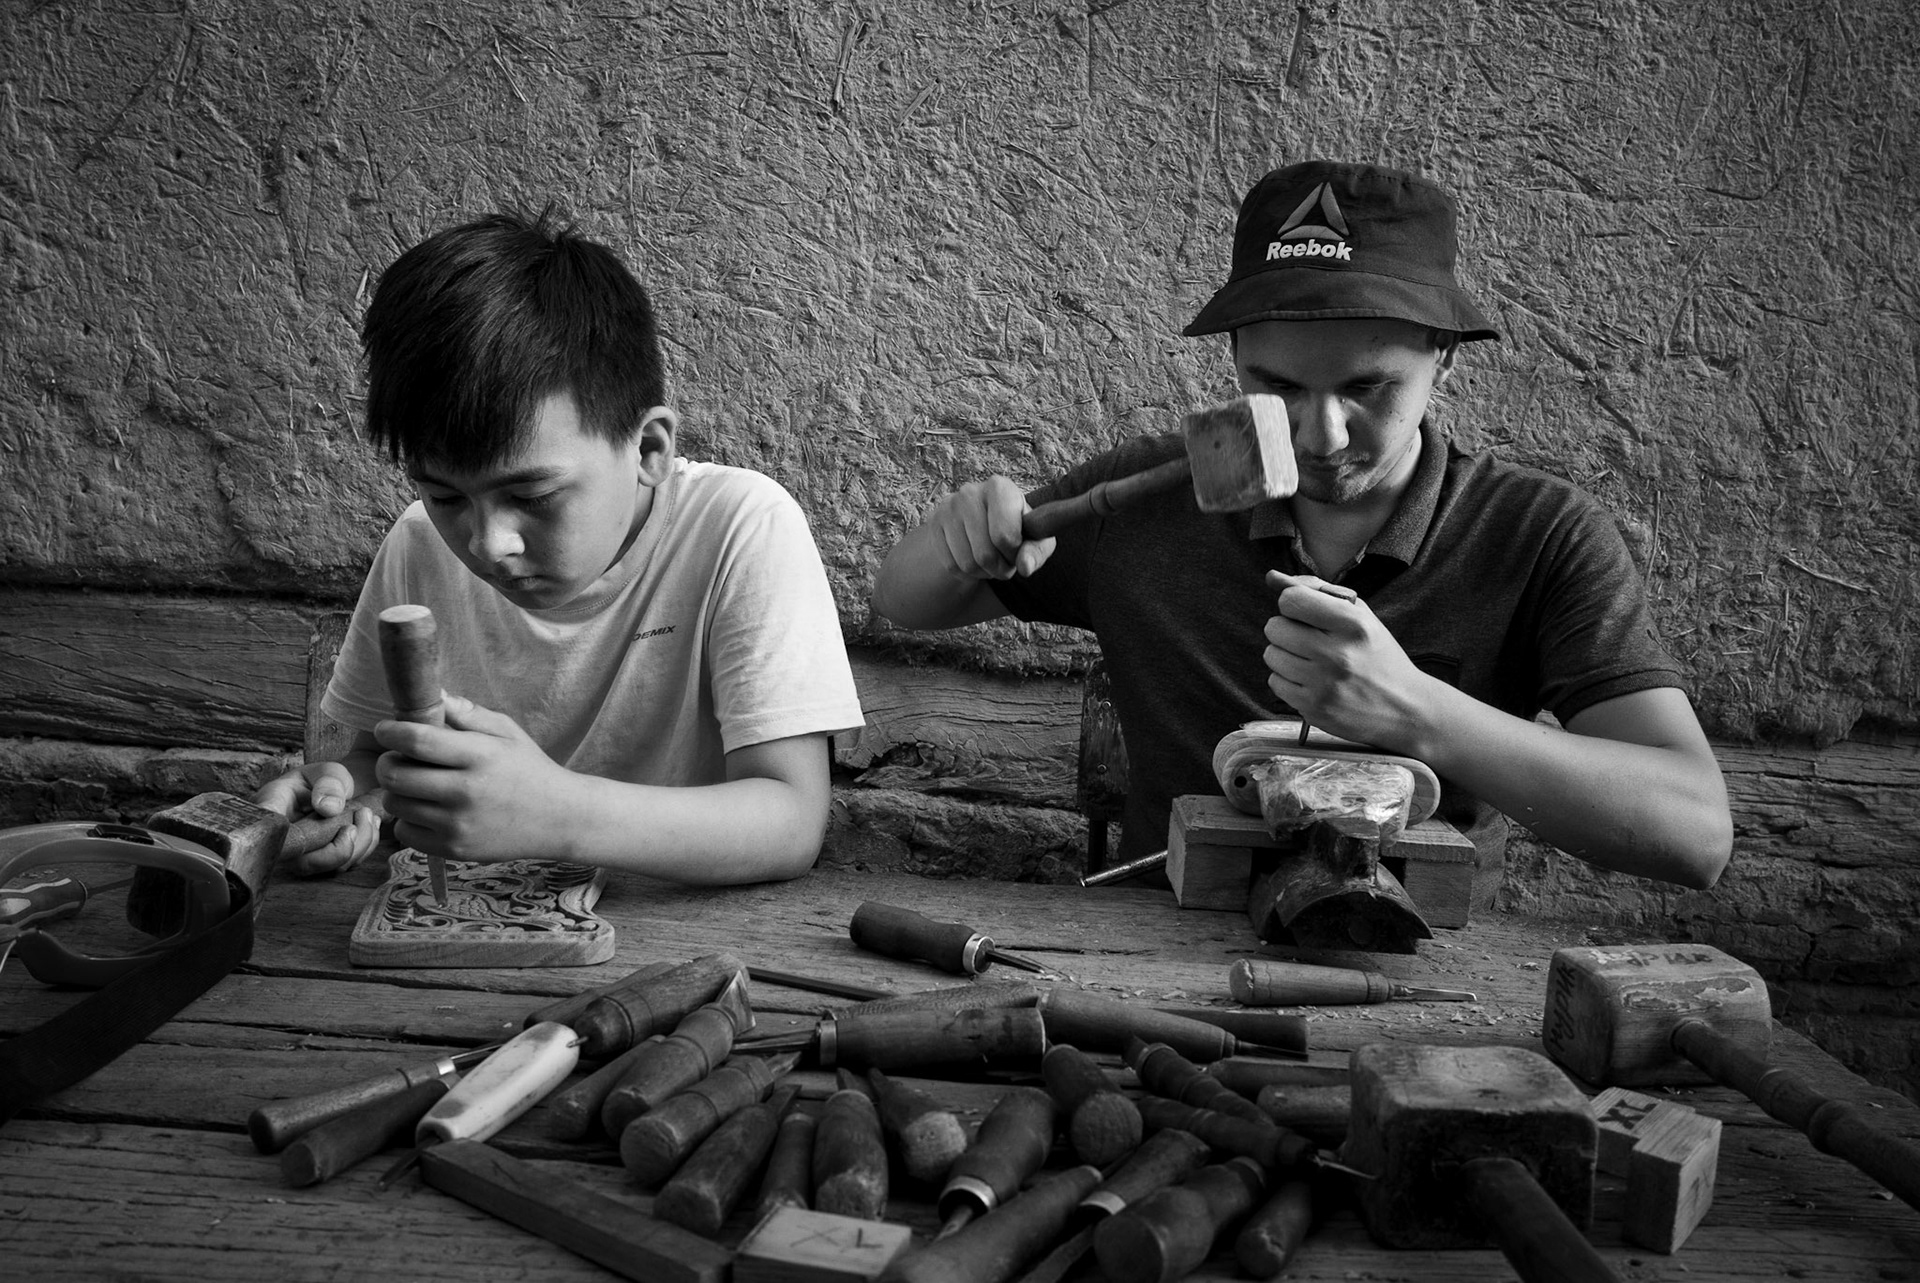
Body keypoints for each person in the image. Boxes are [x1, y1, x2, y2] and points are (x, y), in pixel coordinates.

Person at [872, 160, 1731, 890]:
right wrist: (961, 533)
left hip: (1425, 970)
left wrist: (1419, 712)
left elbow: (1695, 833)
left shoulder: (1538, 533)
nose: (1321, 437)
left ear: (1443, 355)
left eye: (1365, 388)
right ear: (1235, 355)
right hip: (1154, 945)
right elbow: (903, 602)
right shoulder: (1149, 497)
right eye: (1277, 386)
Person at [255, 211, 863, 884]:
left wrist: (555, 813)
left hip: (671, 925)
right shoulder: (418, 543)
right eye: (445, 495)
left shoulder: (739, 528)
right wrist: (344, 798)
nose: (488, 543)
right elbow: (381, 760)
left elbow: (790, 821)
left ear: (649, 449)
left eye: (534, 495)